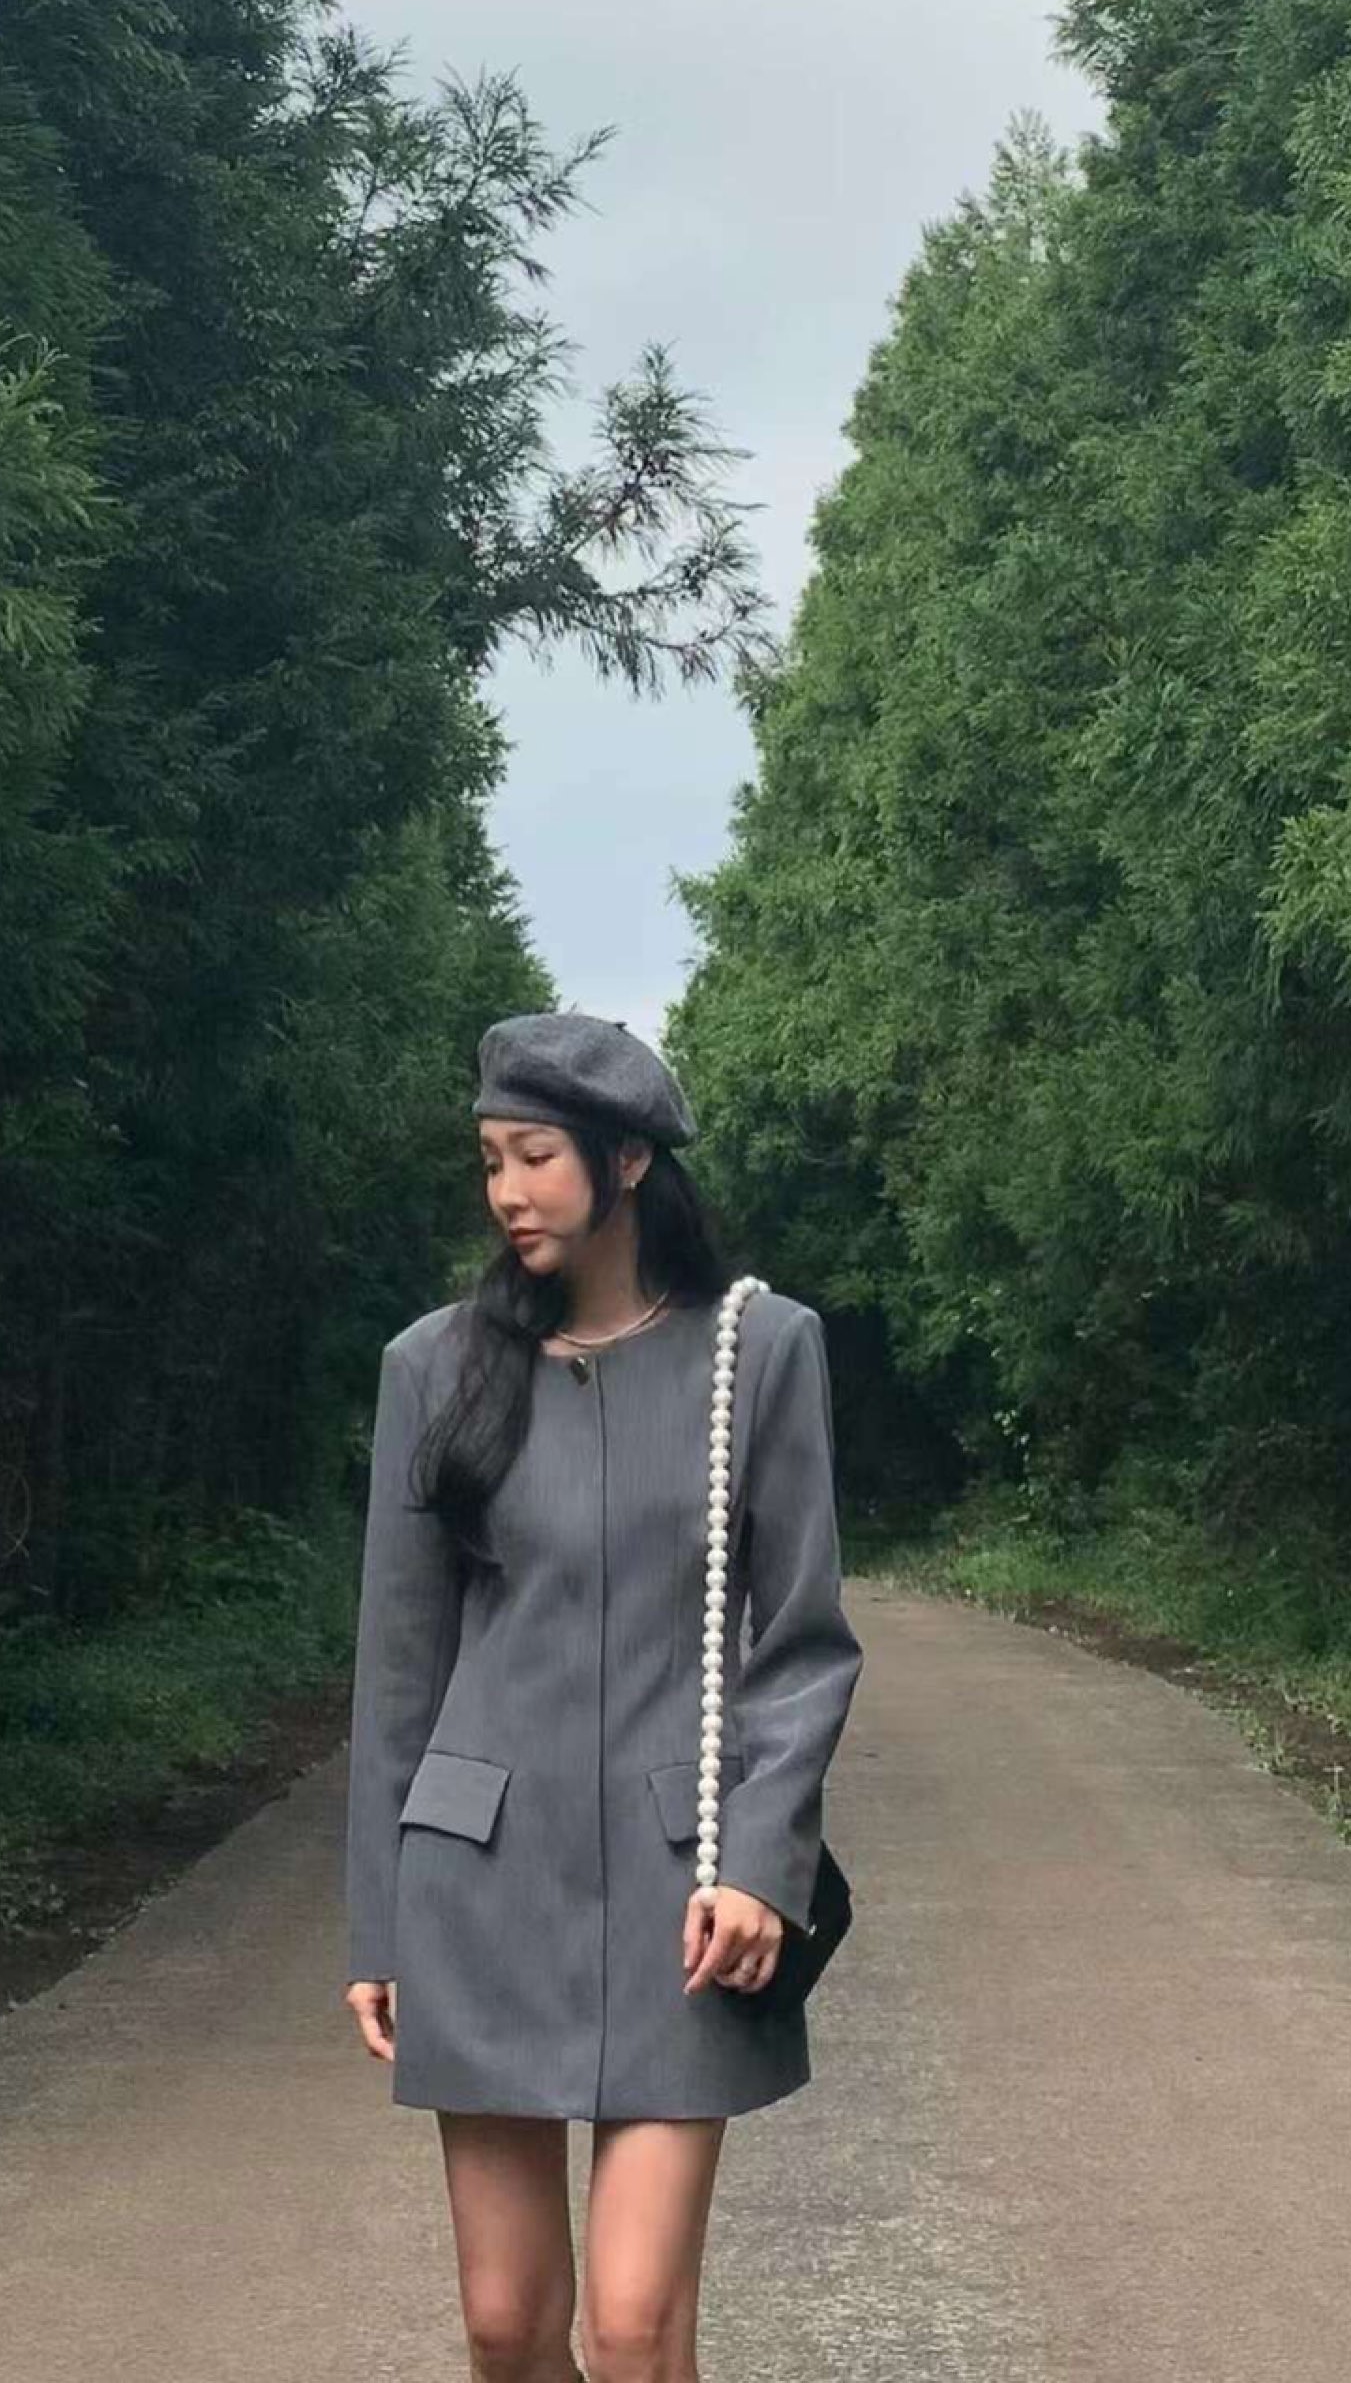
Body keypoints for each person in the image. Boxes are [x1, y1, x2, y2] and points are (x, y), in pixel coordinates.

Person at [343, 1010, 865, 2383]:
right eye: (491, 1162)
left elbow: (802, 1642)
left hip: (684, 1892)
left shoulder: (761, 1350)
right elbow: (398, 1672)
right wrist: (376, 1924)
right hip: (478, 1887)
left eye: (535, 1157)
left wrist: (765, 1865)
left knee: (635, 2329)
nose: (507, 1192)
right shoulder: (432, 1368)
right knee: (507, 2328)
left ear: (626, 1160)